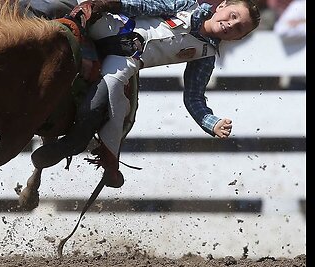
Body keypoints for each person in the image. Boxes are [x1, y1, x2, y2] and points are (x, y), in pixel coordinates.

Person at [31, 0, 261, 188]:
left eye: (239, 27)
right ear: (220, 7)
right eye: (232, 15)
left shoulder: (205, 55)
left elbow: (193, 97)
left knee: (106, 106)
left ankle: (70, 148)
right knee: (50, 8)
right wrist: (110, 4)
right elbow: (143, 6)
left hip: (124, 62)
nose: (232, 24)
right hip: (110, 25)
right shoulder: (186, 7)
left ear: (237, 38)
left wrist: (212, 122)